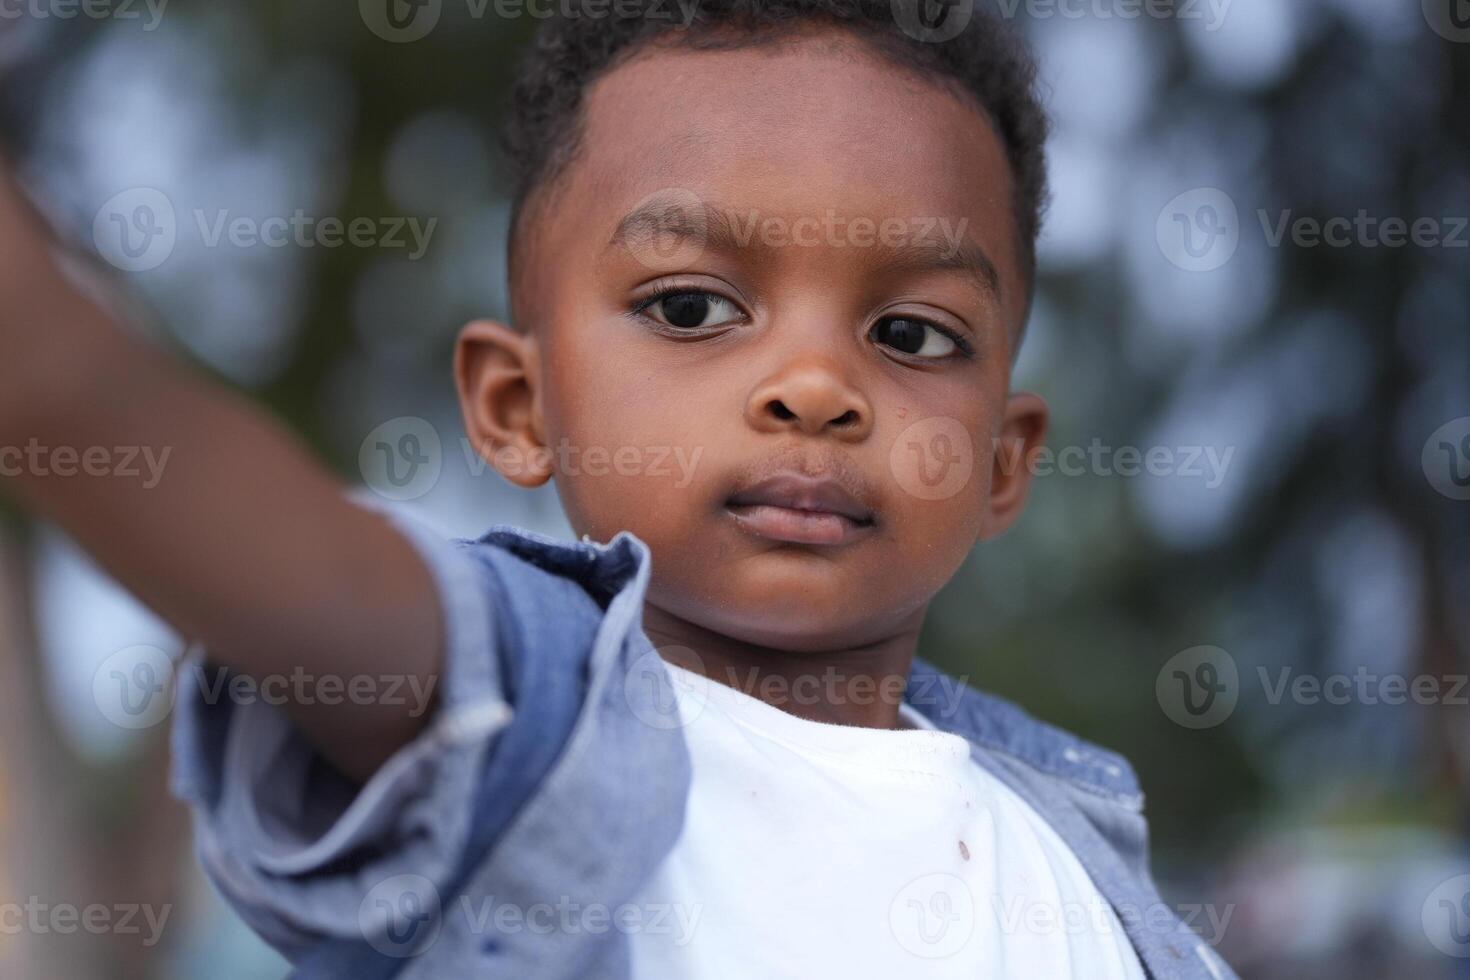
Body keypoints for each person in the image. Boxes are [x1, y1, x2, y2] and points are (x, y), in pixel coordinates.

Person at [0, 0, 1236, 976]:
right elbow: (264, 545)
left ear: (1006, 458)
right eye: (692, 307)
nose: (816, 386)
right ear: (517, 408)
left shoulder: (1079, 858)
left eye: (912, 335)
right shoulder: (525, 726)